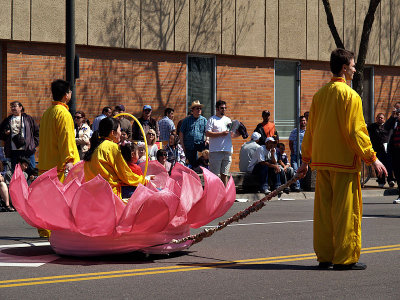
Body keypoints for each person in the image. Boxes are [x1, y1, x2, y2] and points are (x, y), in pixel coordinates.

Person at [297, 48, 387, 270]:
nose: (355, 70)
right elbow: (356, 132)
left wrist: (305, 160)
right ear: (344, 68)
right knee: (346, 212)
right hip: (344, 164)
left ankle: (325, 256)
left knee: (324, 214)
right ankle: (345, 259)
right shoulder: (350, 96)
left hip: (322, 163)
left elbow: (311, 132)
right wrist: (372, 158)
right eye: (353, 66)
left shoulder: (320, 95)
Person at [83, 117, 148, 198]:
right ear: (113, 133)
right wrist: (144, 181)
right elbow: (125, 175)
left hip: (94, 193)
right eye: (120, 130)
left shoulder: (95, 146)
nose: (121, 133)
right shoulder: (111, 147)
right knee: (150, 193)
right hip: (110, 193)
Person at [38, 80, 80, 182]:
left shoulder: (47, 112)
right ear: (66, 95)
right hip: (58, 168)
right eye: (70, 91)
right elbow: (66, 138)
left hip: (45, 164)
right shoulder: (63, 113)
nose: (71, 93)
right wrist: (69, 160)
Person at [206, 100, 238, 186]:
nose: (223, 110)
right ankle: (214, 194)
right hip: (216, 151)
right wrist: (221, 133)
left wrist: (239, 133)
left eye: (225, 108)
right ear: (217, 109)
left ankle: (224, 195)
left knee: (224, 174)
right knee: (214, 175)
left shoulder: (228, 120)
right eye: (222, 108)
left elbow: (232, 135)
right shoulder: (212, 119)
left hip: (227, 150)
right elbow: (207, 133)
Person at [0, 101, 39, 171]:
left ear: (20, 107)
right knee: (15, 173)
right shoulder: (7, 120)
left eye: (15, 106)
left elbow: (37, 132)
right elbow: (1, 134)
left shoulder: (28, 119)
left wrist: (33, 144)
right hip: (14, 152)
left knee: (31, 172)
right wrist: (5, 134)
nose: (13, 108)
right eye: (11, 107)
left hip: (27, 151)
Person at [367, 113, 394, 188]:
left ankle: (390, 180)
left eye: (381, 118)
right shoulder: (372, 126)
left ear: (384, 119)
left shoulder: (387, 126)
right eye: (379, 118)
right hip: (376, 149)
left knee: (388, 165)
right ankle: (381, 181)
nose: (380, 119)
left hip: (385, 149)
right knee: (378, 167)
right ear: (376, 118)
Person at [179, 100, 208, 167]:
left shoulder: (204, 120)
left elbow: (207, 131)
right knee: (192, 164)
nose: (199, 110)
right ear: (192, 110)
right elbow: (181, 133)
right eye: (197, 108)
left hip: (200, 145)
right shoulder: (186, 120)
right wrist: (182, 145)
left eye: (200, 108)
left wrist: (207, 139)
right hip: (189, 146)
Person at [384, 107, 400, 204]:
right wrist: (392, 117)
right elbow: (386, 127)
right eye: (397, 113)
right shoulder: (394, 121)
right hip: (395, 150)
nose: (398, 115)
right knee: (397, 172)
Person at [289, 116, 307, 192]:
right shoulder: (295, 131)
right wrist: (292, 151)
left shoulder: (308, 131)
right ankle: (297, 186)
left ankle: (302, 186)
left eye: (304, 120)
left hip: (304, 155)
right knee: (296, 169)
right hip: (295, 154)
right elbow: (290, 142)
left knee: (303, 171)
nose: (303, 122)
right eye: (301, 121)